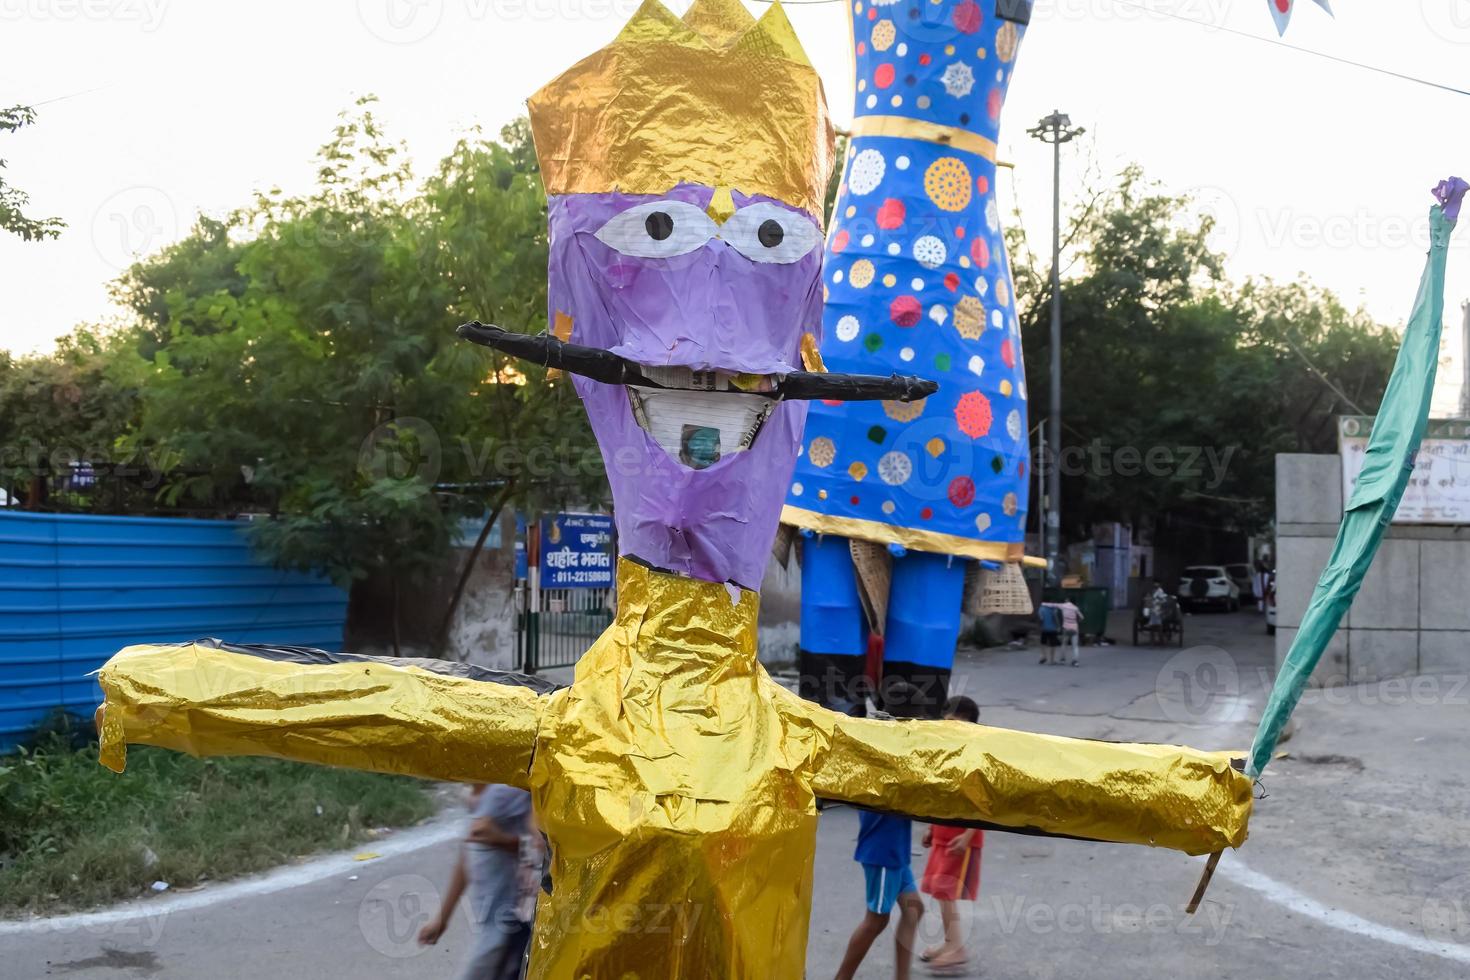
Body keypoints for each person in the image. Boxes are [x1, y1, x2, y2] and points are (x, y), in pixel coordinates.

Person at [834, 686, 926, 980]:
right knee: (876, 920)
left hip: (893, 847)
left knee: (913, 910)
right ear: (910, 717)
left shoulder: (886, 742)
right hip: (884, 849)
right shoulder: (893, 751)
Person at [420, 783, 534, 980]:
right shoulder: (478, 796)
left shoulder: (506, 792)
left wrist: (502, 840)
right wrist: (442, 918)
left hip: (508, 927)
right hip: (491, 925)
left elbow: (545, 845)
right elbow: (468, 856)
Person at [919, 696, 984, 975]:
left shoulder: (976, 755)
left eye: (956, 724)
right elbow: (942, 797)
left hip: (961, 838)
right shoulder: (948, 753)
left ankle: (957, 949)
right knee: (939, 891)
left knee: (946, 892)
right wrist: (931, 827)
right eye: (947, 723)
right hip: (943, 834)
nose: (951, 729)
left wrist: (969, 836)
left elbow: (984, 802)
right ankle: (948, 944)